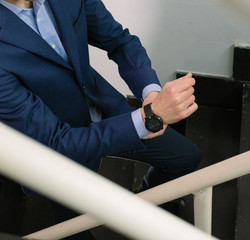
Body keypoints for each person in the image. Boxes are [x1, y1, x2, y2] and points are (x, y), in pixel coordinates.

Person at [0, 0, 202, 239]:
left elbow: (120, 41)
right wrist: (148, 119)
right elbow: (56, 143)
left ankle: (144, 206)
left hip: (105, 111)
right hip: (56, 159)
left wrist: (151, 94)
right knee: (74, 230)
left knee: (185, 158)